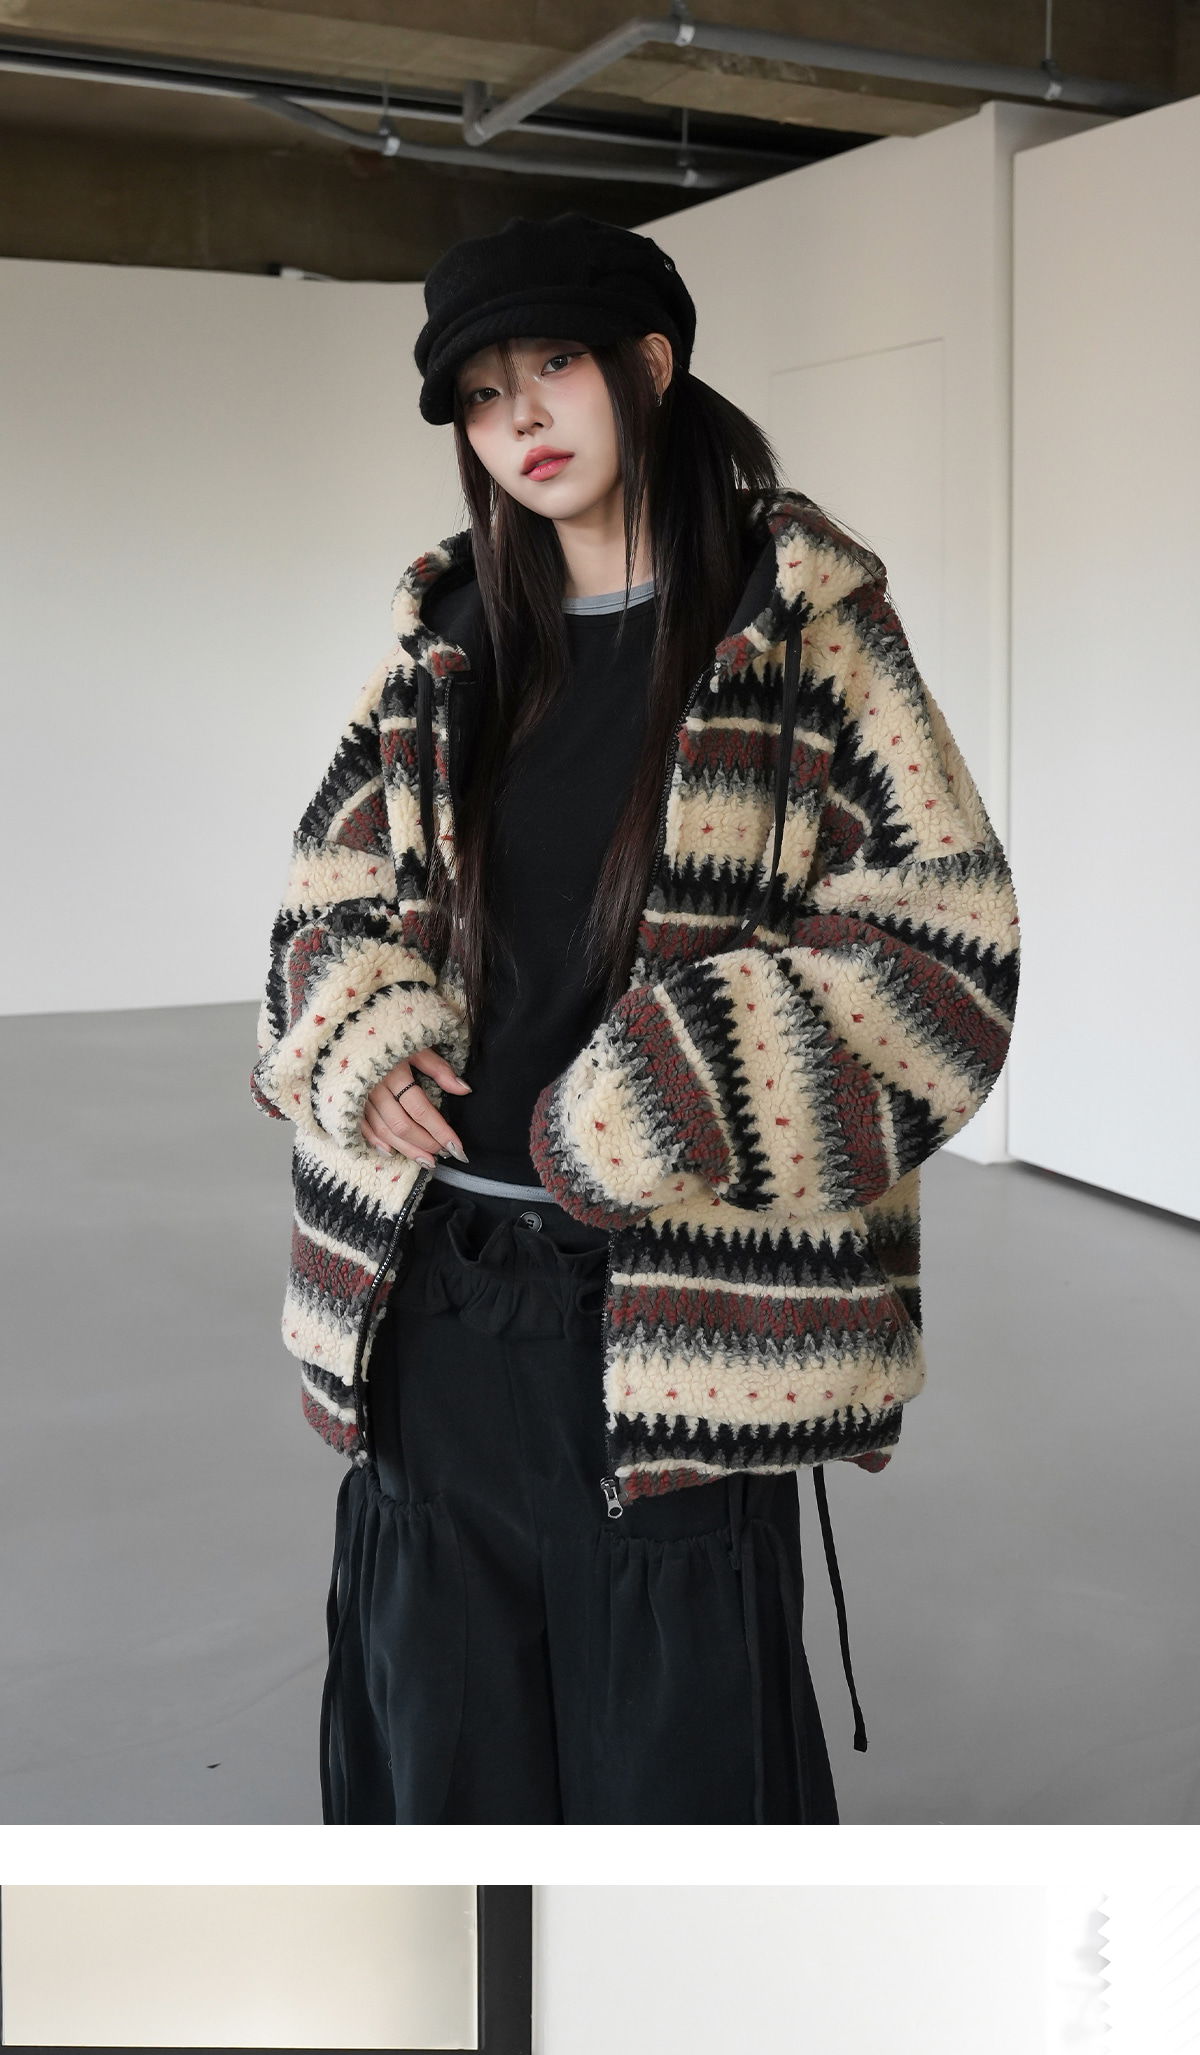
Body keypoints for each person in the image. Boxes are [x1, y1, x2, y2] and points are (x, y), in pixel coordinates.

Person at [254, 205, 1021, 1831]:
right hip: (436, 1299)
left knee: (679, 1777)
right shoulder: (449, 644)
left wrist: (678, 1083)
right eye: (481, 395)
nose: (519, 418)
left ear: (651, 364)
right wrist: (358, 1031)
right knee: (443, 1758)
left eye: (554, 366)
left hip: (684, 1308)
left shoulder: (803, 635)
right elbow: (324, 903)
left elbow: (944, 955)